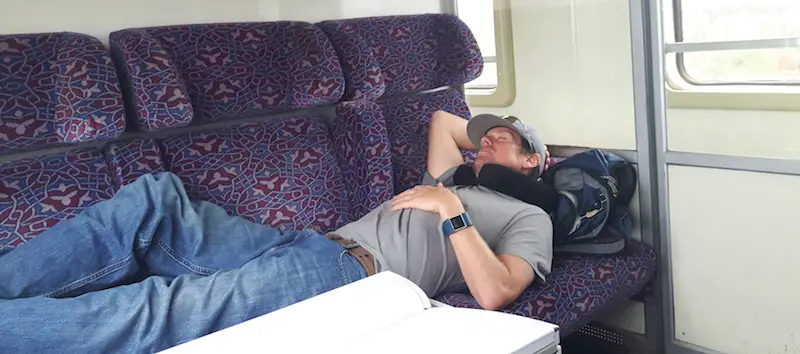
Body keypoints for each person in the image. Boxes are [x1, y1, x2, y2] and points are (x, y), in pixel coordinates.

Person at [0, 111, 554, 353]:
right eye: (483, 138)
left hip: (352, 276)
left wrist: (451, 207)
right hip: (306, 244)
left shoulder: (527, 217)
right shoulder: (452, 175)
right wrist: (479, 158)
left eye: (501, 139)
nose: (482, 142)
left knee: (156, 307)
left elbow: (496, 291)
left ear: (533, 160)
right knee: (156, 198)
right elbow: (443, 120)